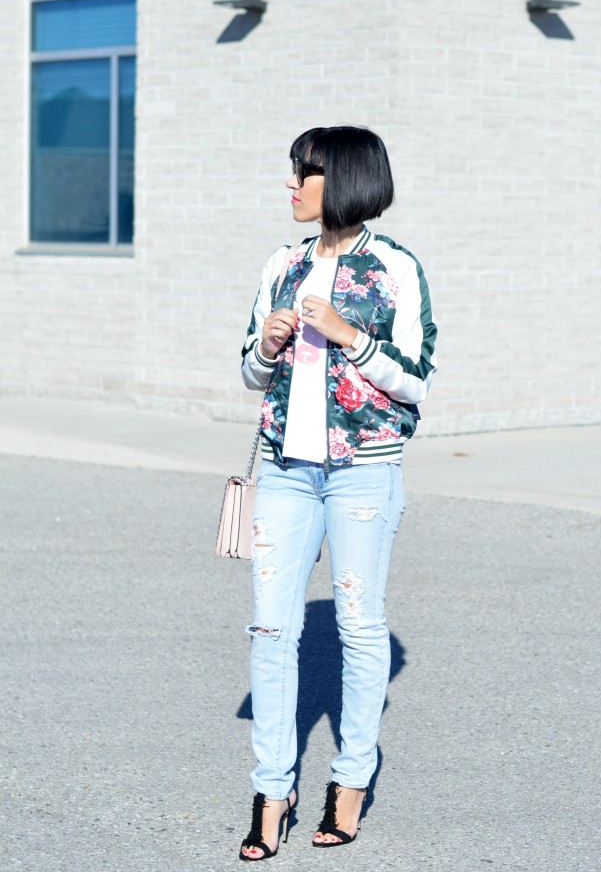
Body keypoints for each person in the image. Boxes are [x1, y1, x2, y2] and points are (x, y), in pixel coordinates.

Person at [238, 125, 437, 860]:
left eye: (305, 172)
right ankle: (271, 789)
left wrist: (351, 336)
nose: (291, 186)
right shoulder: (281, 265)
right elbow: (250, 374)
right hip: (286, 472)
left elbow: (417, 378)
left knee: (358, 627)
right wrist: (266, 345)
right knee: (269, 630)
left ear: (345, 178)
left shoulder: (393, 267)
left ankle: (350, 781)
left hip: (364, 471)